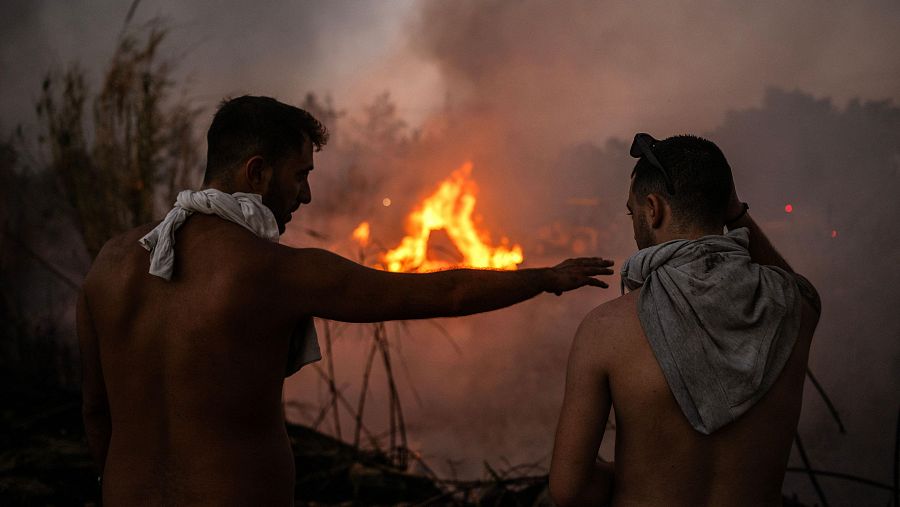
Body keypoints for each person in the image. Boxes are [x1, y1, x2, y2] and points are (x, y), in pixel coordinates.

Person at [76, 95, 615, 505]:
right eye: (300, 176)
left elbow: (97, 413)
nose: (306, 195)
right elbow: (443, 292)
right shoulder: (274, 272)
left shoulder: (110, 265)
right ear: (257, 172)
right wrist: (545, 277)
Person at [549, 134, 821, 506]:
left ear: (652, 209)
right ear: (725, 207)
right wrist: (735, 212)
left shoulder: (606, 329)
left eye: (632, 213)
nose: (633, 224)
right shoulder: (794, 309)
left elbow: (569, 491)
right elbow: (799, 287)